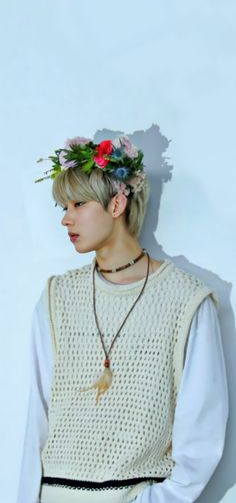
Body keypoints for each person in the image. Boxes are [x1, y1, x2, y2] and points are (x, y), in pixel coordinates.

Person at [16, 135, 229, 503]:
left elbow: (202, 435)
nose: (66, 219)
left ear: (117, 203)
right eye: (62, 206)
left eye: (79, 203)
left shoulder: (185, 300)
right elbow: (38, 419)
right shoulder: (57, 298)